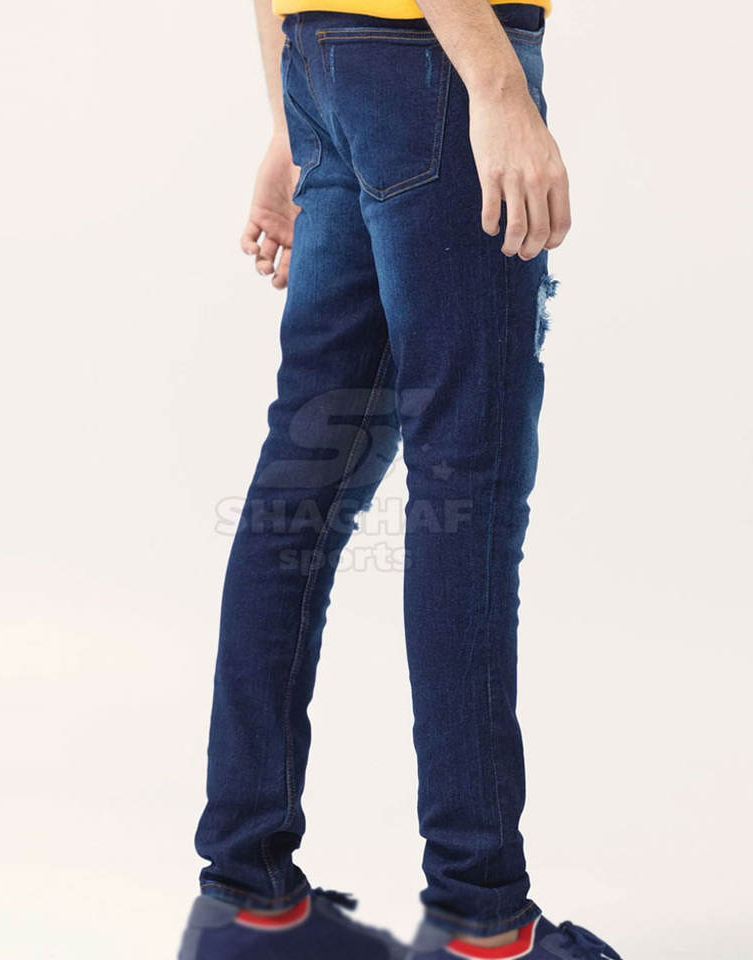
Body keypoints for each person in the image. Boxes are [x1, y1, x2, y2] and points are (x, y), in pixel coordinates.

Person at [179, 0, 622, 958]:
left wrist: (289, 123)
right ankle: (481, 919)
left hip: (326, 58)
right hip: (438, 63)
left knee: (303, 481)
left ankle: (247, 903)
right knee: (468, 488)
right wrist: (497, 89)